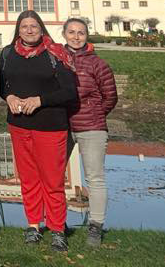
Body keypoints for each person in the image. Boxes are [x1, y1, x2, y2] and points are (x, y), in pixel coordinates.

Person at [0, 10, 79, 253]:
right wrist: (9, 96)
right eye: (24, 26)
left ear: (41, 28)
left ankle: (57, 229)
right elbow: (1, 84)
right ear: (18, 29)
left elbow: (69, 92)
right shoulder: (8, 54)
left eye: (34, 26)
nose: (29, 30)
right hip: (19, 125)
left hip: (50, 126)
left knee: (52, 180)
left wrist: (41, 100)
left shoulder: (55, 54)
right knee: (29, 178)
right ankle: (33, 225)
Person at [62, 17, 118, 247]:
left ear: (87, 36)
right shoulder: (56, 59)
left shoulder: (98, 64)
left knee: (95, 177)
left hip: (91, 126)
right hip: (60, 125)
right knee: (54, 176)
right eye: (72, 32)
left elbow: (110, 97)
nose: (76, 37)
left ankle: (96, 225)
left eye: (81, 33)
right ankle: (58, 223)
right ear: (64, 34)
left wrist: (93, 113)